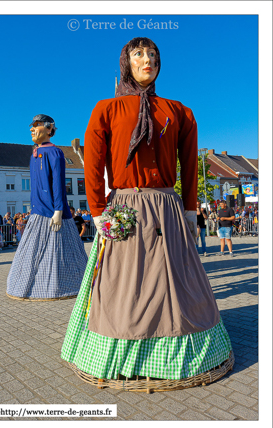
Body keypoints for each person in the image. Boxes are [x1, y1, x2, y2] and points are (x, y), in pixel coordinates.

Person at [61, 37, 233, 392]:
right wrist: (96, 210)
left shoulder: (179, 111)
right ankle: (118, 353)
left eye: (153, 55)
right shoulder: (106, 109)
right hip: (126, 205)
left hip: (167, 207)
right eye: (138, 54)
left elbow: (188, 162)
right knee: (123, 282)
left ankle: (178, 353)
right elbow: (93, 165)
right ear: (126, 62)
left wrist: (189, 209)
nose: (147, 60)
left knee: (176, 281)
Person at [6, 114, 88, 300]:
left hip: (52, 212)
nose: (32, 129)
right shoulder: (34, 154)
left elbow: (58, 183)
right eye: (31, 125)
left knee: (61, 249)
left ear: (49, 129)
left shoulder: (55, 152)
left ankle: (65, 285)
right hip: (37, 211)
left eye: (37, 125)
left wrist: (58, 210)